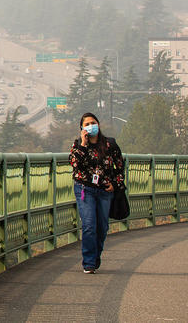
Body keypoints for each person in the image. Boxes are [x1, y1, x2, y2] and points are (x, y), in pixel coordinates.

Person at [69, 112, 124, 273]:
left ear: (98, 125)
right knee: (89, 225)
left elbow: (120, 167)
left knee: (102, 227)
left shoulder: (110, 144)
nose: (90, 126)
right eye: (86, 124)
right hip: (85, 189)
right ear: (82, 128)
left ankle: (95, 256)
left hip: (105, 190)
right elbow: (75, 164)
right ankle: (89, 263)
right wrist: (83, 144)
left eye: (93, 123)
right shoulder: (78, 144)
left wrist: (115, 184)